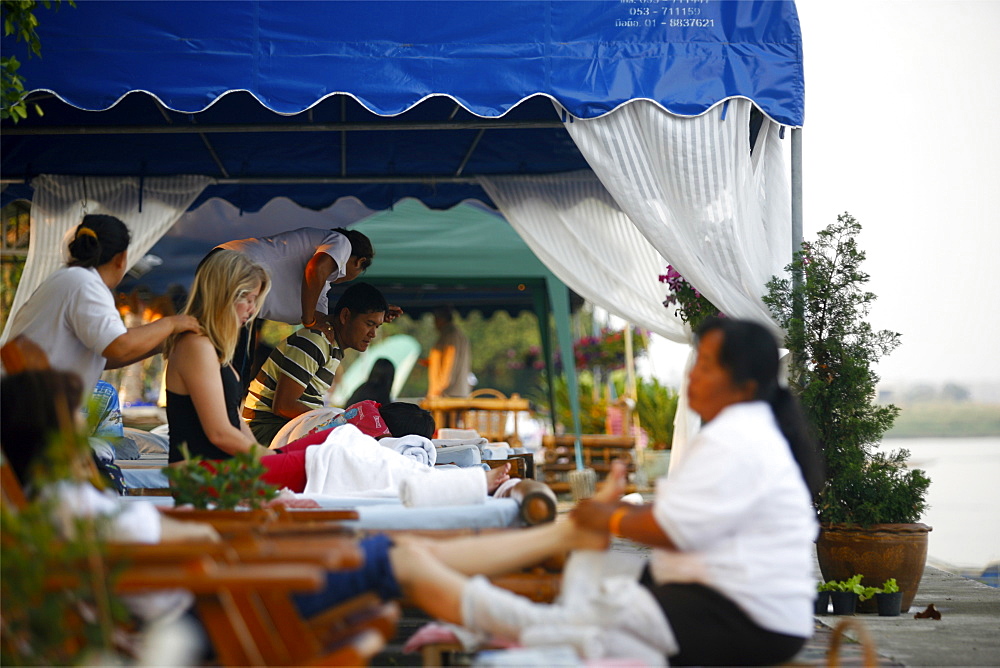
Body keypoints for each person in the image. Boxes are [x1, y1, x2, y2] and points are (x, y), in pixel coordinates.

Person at [4, 214, 200, 394]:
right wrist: (170, 324)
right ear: (121, 258)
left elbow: (104, 354)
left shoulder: (70, 279)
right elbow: (119, 346)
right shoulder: (85, 283)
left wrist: (158, 344)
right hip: (25, 405)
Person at [243, 282, 388, 446]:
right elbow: (284, 406)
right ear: (345, 316)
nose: (373, 334)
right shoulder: (315, 341)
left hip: (285, 427)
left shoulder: (332, 346)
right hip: (266, 430)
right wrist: (337, 421)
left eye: (377, 326)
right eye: (369, 324)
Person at [163, 249, 274, 463]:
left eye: (255, 301)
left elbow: (234, 421)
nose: (251, 310)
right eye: (248, 299)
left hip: (220, 475)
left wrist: (267, 458)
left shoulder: (212, 347)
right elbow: (220, 433)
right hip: (202, 478)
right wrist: (272, 459)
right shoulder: (196, 345)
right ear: (225, 295)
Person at [426, 306, 471, 398]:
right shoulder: (456, 333)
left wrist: (437, 390)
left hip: (451, 394)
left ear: (440, 319)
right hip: (457, 391)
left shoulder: (450, 334)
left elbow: (449, 362)